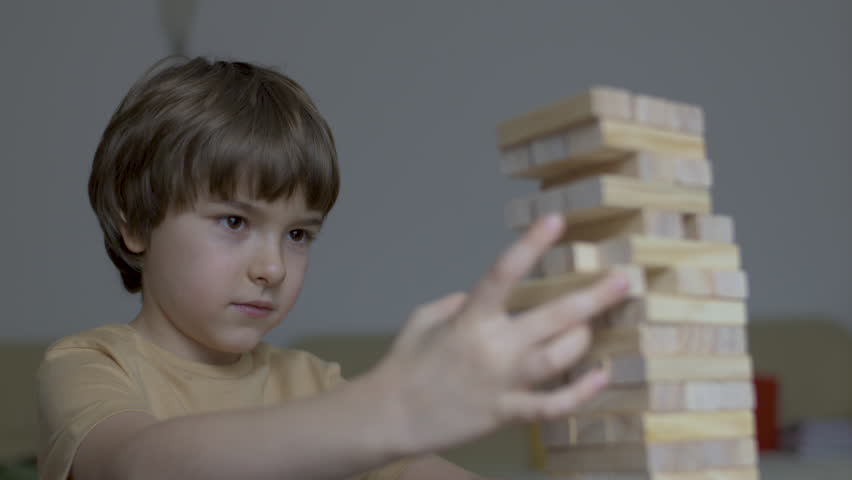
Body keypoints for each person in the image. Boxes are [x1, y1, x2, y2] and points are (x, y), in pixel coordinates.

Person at [36, 56, 629, 480]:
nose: (272, 267)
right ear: (135, 222)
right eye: (234, 222)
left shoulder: (313, 384)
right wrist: (390, 409)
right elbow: (140, 463)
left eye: (298, 235)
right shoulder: (90, 366)